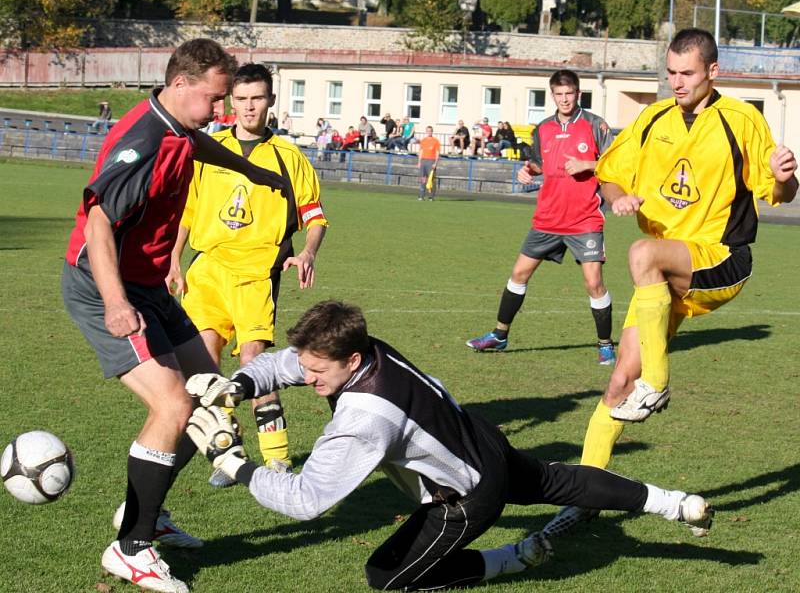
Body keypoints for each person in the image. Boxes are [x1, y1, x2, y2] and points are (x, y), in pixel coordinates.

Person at [183, 300, 714, 591]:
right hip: (481, 438)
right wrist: (240, 384)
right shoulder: (368, 348)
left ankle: (513, 558)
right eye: (306, 365)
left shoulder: (364, 415)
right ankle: (677, 503)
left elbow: (306, 500)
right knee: (558, 478)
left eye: (318, 370)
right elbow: (285, 363)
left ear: (350, 360)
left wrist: (235, 463)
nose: (306, 376)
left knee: (386, 577)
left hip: (466, 496)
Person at [545, 28, 798, 536]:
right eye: (670, 72)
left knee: (642, 254)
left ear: (712, 72)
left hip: (720, 260)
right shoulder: (654, 118)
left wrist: (786, 173)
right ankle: (587, 494)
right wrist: (617, 195)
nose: (675, 82)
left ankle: (657, 384)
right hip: (660, 279)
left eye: (686, 73)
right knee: (617, 383)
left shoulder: (741, 120)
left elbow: (782, 193)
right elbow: (609, 172)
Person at [61, 39, 288, 593]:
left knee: (211, 394)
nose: (220, 112)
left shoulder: (177, 125)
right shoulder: (141, 140)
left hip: (147, 286)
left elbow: (197, 147)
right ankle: (131, 549)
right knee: (174, 402)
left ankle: (144, 509)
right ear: (181, 83)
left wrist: (252, 172)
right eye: (214, 99)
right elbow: (97, 226)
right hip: (104, 286)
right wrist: (116, 305)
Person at [168, 63, 328, 489]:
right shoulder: (209, 147)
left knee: (253, 364)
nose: (248, 107)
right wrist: (174, 259)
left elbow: (314, 215)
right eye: (240, 99)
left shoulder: (290, 158)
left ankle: (276, 460)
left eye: (256, 98)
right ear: (230, 102)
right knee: (204, 371)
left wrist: (308, 251)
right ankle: (228, 455)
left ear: (270, 100)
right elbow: (188, 209)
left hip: (256, 274)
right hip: (207, 271)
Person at [467, 69, 616, 366]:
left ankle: (605, 345)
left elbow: (617, 164)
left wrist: (588, 163)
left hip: (583, 219)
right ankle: (499, 334)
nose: (564, 99)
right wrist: (527, 171)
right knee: (519, 274)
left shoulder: (595, 125)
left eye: (569, 94)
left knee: (593, 282)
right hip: (547, 217)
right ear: (552, 95)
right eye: (559, 94)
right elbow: (538, 163)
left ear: (578, 94)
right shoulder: (543, 128)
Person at [416, 125, 440, 201]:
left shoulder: (436, 141)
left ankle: (431, 196)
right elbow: (421, 151)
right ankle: (421, 196)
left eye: (430, 131)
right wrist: (419, 162)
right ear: (426, 131)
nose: (429, 132)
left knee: (431, 179)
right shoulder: (423, 140)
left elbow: (437, 152)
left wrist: (435, 163)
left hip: (431, 161)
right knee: (423, 179)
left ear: (432, 132)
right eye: (428, 131)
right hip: (423, 161)